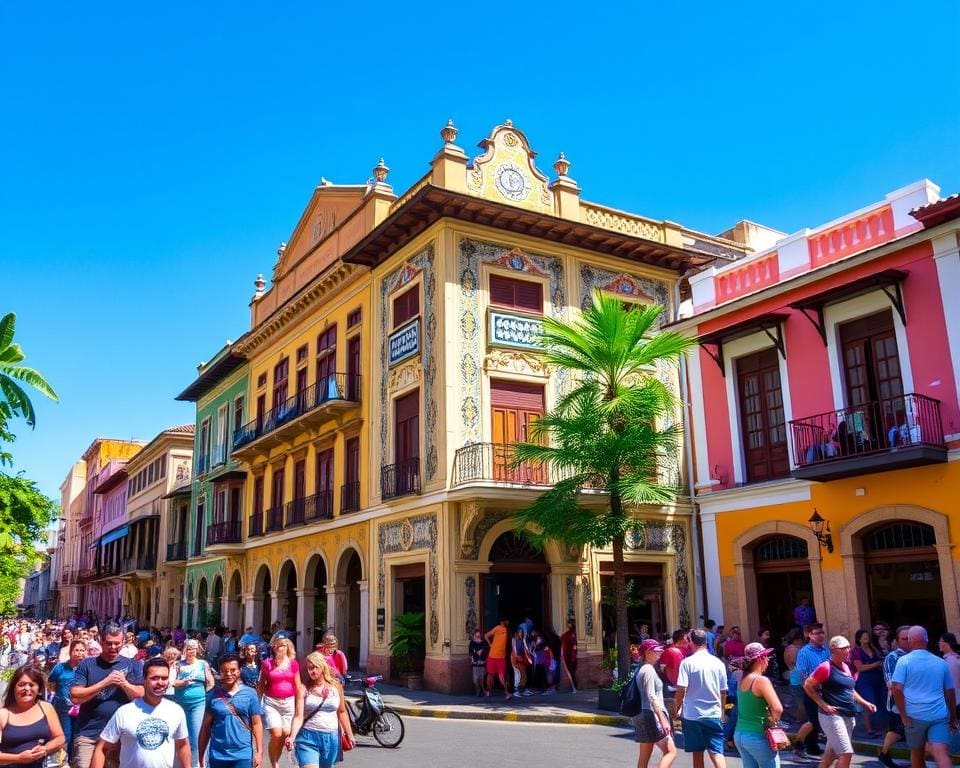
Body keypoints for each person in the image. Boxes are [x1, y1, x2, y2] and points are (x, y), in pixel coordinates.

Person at [90, 658, 191, 768]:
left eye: (164, 678)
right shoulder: (125, 712)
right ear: (144, 680)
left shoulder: (176, 711)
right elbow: (102, 748)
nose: (160, 683)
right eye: (154, 678)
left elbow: (183, 745)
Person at [70, 622, 145, 768]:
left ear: (123, 642)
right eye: (109, 643)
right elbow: (75, 695)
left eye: (117, 643)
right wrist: (105, 683)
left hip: (120, 736)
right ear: (100, 641)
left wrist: (124, 683)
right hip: (88, 733)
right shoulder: (87, 664)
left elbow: (141, 695)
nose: (113, 647)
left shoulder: (133, 665)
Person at [803, 635, 877, 768]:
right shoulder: (825, 667)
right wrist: (823, 705)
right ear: (834, 649)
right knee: (846, 753)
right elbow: (808, 685)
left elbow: (850, 690)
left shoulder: (846, 667)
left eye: (848, 647)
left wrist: (865, 703)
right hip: (832, 717)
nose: (848, 650)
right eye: (844, 648)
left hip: (848, 715)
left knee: (831, 754)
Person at [891, 625, 958, 768]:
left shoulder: (904, 661)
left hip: (914, 716)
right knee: (941, 753)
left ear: (909, 641)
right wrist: (953, 716)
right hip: (939, 715)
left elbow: (896, 689)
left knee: (917, 753)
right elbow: (950, 692)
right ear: (926, 640)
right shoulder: (941, 663)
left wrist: (903, 714)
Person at [285, 652, 353, 768]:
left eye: (316, 667)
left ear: (323, 667)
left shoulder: (336, 687)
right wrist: (292, 736)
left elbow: (342, 712)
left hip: (331, 738)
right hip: (307, 737)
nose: (313, 671)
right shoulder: (303, 689)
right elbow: (298, 716)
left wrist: (350, 734)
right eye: (310, 668)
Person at [198, 654, 264, 768]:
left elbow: (256, 723)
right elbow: (205, 728)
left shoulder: (250, 694)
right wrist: (201, 756)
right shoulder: (212, 696)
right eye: (225, 671)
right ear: (220, 672)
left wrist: (259, 752)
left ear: (239, 671)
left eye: (233, 670)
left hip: (243, 755)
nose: (229, 674)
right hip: (217, 755)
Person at [675, 628, 728, 768]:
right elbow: (723, 691)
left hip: (692, 714)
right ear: (706, 641)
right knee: (717, 752)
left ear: (691, 641)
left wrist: (677, 707)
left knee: (697, 753)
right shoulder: (718, 663)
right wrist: (722, 711)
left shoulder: (687, 663)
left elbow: (681, 689)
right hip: (714, 713)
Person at [0, 664, 66, 768]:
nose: (27, 688)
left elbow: (60, 738)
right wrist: (18, 758)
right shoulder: (3, 715)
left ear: (39, 690)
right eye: (21, 684)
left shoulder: (46, 708)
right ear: (14, 688)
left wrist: (45, 749)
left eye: (31, 685)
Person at [733, 643, 783, 768]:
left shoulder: (741, 679)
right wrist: (772, 722)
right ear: (761, 659)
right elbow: (777, 709)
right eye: (766, 657)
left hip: (740, 734)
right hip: (757, 736)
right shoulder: (761, 681)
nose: (768, 661)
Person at [257, 637, 300, 768]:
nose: (280, 647)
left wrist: (300, 705)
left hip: (289, 702)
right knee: (276, 733)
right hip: (272, 702)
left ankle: (276, 757)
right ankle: (274, 764)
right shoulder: (267, 664)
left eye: (283, 645)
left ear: (287, 648)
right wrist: (256, 704)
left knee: (286, 733)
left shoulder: (293, 664)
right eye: (277, 645)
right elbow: (261, 685)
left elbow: (298, 685)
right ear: (273, 648)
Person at [633, 639, 676, 768]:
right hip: (650, 715)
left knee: (644, 756)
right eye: (657, 651)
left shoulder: (641, 669)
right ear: (648, 652)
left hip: (641, 713)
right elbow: (652, 696)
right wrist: (662, 719)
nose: (660, 653)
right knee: (671, 752)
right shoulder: (648, 670)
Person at [172, 639, 214, 768]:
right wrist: (183, 683)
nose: (191, 651)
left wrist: (206, 697)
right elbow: (172, 683)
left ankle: (198, 764)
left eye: (194, 648)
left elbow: (210, 682)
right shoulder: (178, 665)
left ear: (197, 650)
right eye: (189, 648)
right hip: (180, 704)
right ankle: (181, 763)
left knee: (197, 736)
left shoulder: (203, 664)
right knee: (181, 736)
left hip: (198, 703)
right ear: (185, 649)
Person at [47, 638, 86, 765]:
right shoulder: (61, 667)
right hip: (63, 707)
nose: (79, 653)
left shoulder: (86, 668)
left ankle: (76, 760)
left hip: (82, 708)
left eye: (82, 650)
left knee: (78, 736)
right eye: (76, 650)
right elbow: (50, 682)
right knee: (66, 735)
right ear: (70, 651)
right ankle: (65, 761)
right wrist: (55, 694)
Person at [794, 622, 830, 760]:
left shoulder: (825, 650)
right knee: (813, 720)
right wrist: (812, 685)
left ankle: (812, 747)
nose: (820, 636)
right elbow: (802, 672)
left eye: (822, 633)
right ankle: (798, 743)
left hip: (825, 690)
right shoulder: (804, 652)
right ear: (809, 635)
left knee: (821, 720)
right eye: (817, 633)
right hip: (811, 690)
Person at [878, 625, 910, 768]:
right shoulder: (892, 657)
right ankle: (884, 754)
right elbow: (890, 682)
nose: (908, 641)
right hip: (897, 702)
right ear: (897, 641)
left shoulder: (916, 655)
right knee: (897, 730)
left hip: (915, 702)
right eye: (905, 639)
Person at [850, 628, 885, 737]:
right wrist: (875, 664)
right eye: (864, 636)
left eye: (867, 636)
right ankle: (869, 729)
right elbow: (860, 668)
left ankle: (880, 727)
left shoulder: (873, 648)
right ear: (858, 638)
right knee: (869, 702)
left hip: (878, 678)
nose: (866, 638)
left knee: (880, 701)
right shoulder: (855, 651)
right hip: (864, 680)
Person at [661, 629, 690, 728]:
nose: (689, 641)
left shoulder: (684, 652)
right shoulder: (670, 651)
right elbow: (662, 669)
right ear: (682, 638)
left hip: (681, 688)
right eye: (687, 638)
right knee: (673, 716)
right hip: (673, 688)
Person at [484, 617, 511, 701]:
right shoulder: (497, 628)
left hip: (501, 657)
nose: (508, 622)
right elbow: (486, 635)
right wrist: (489, 644)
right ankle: (489, 691)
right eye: (506, 620)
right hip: (492, 656)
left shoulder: (507, 630)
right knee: (490, 674)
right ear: (502, 621)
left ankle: (506, 693)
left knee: (501, 676)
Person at [938, 632, 960, 718]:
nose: (939, 644)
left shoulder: (951, 660)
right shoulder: (952, 658)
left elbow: (952, 684)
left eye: (941, 641)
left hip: (955, 703)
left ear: (947, 643)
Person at [509, 627, 530, 697]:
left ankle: (522, 690)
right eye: (519, 632)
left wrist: (529, 654)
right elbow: (514, 649)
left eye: (521, 632)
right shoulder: (514, 639)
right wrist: (517, 656)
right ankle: (516, 691)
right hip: (515, 658)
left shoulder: (522, 640)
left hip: (521, 658)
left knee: (524, 674)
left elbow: (526, 648)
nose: (521, 633)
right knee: (517, 674)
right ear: (516, 633)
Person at [468, 629, 489, 697]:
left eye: (479, 636)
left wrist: (482, 650)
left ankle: (482, 690)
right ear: (474, 635)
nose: (478, 637)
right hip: (475, 662)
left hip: (481, 662)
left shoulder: (483, 643)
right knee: (475, 679)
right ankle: (478, 689)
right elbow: (470, 652)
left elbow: (486, 650)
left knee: (481, 678)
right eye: (476, 635)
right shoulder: (472, 642)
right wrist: (476, 652)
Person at [560, 620, 578, 693]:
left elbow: (564, 646)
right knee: (573, 671)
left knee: (570, 672)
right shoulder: (576, 634)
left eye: (568, 624)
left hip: (569, 656)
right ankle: (574, 687)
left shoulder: (566, 635)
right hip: (573, 655)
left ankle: (574, 687)